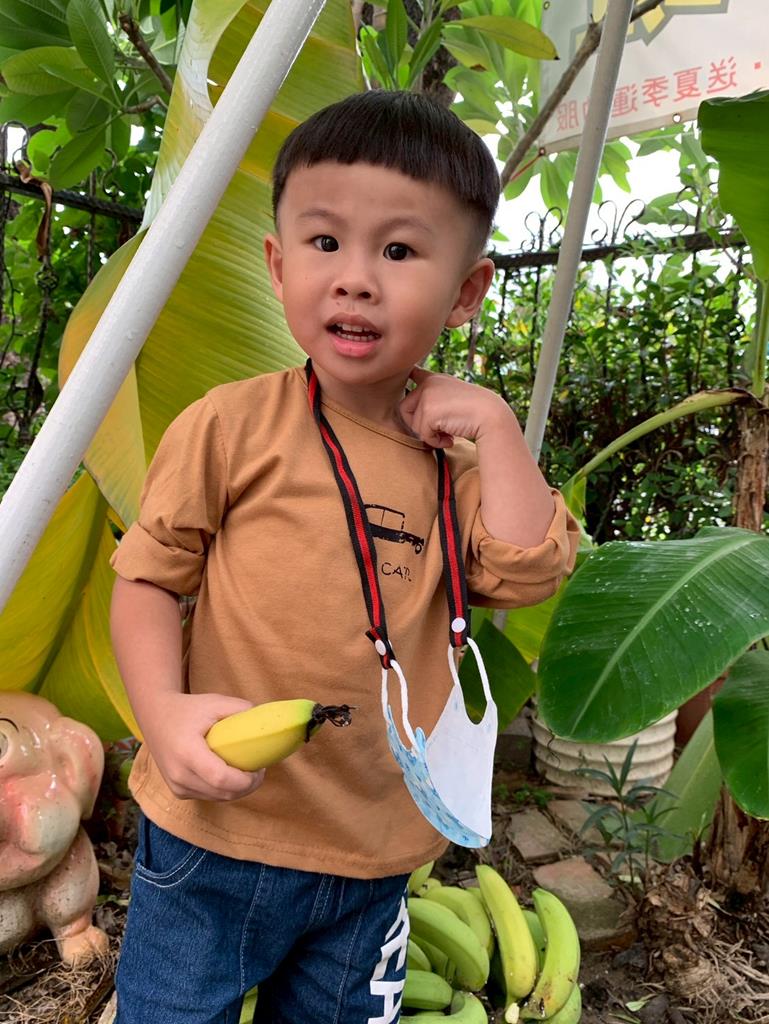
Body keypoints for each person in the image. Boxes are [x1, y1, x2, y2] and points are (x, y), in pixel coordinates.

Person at [109, 90, 579, 1024]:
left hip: (372, 850)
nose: (355, 279)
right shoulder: (231, 426)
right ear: (279, 266)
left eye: (398, 252)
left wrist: (495, 430)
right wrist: (161, 716)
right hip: (215, 835)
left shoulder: (456, 464)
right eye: (325, 243)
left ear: (465, 293)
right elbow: (148, 580)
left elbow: (526, 569)